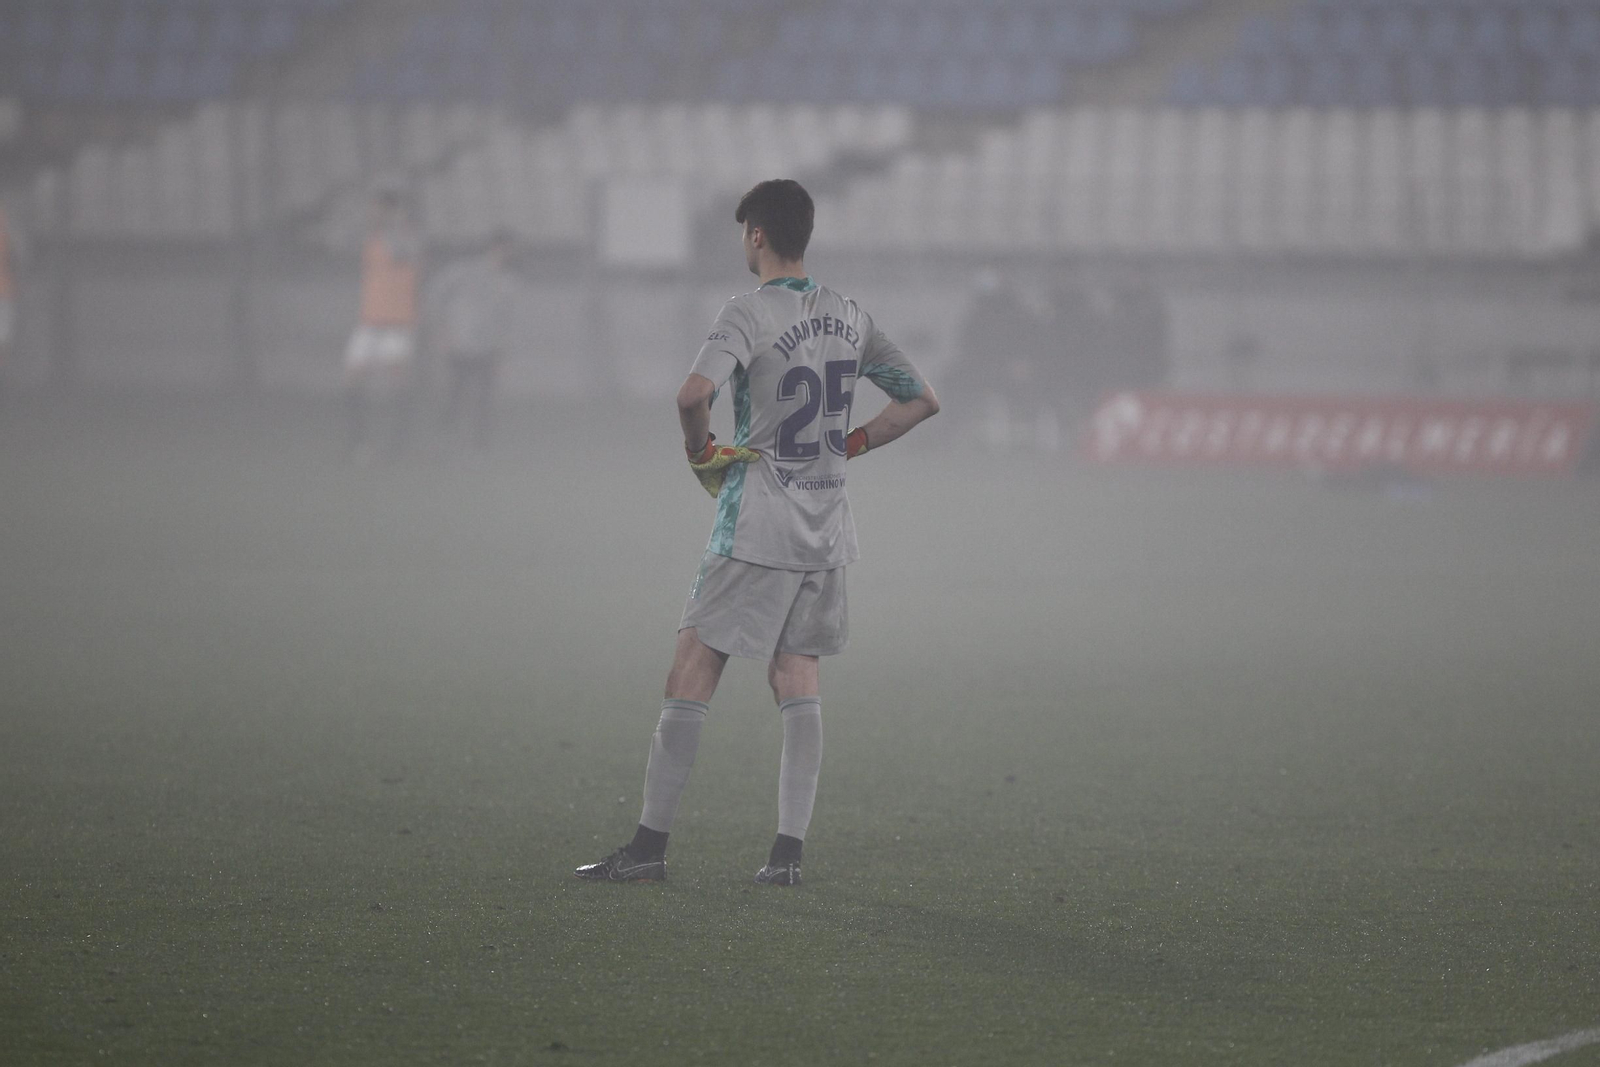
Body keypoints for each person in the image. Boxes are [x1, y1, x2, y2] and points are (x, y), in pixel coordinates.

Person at [575, 179, 940, 887]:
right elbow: (922, 400)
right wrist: (851, 443)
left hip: (758, 523)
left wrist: (698, 450)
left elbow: (692, 394)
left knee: (692, 667)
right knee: (797, 675)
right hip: (828, 526)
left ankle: (648, 848)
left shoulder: (747, 313)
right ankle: (786, 856)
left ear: (756, 236)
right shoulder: (850, 315)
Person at [343, 189, 422, 461]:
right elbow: (341, 242)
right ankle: (360, 443)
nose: (373, 214)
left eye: (378, 209)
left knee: (398, 380)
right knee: (353, 377)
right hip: (369, 320)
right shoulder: (370, 239)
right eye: (372, 209)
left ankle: (398, 443)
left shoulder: (407, 238)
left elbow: (402, 254)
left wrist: (393, 224)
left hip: (397, 322)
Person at [430, 229, 518, 450]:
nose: (511, 254)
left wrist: (503, 348)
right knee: (456, 390)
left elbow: (505, 317)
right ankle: (445, 432)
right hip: (462, 340)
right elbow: (438, 292)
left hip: (488, 345)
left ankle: (481, 441)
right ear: (496, 248)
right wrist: (443, 330)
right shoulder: (466, 270)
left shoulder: (508, 280)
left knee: (485, 395)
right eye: (507, 248)